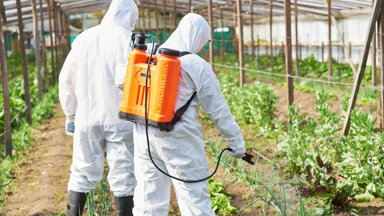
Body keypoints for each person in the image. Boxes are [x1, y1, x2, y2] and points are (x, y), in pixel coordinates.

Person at [131, 13, 246, 215]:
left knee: (148, 199)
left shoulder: (148, 53)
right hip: (178, 141)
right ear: (198, 37)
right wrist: (237, 145)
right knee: (194, 202)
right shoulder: (197, 65)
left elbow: (120, 81)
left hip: (144, 135)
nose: (202, 47)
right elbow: (219, 111)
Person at [58, 0, 138, 215]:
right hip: (121, 120)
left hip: (87, 118)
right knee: (124, 174)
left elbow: (66, 79)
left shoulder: (84, 38)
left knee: (81, 171)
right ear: (130, 16)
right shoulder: (131, 41)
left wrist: (70, 114)